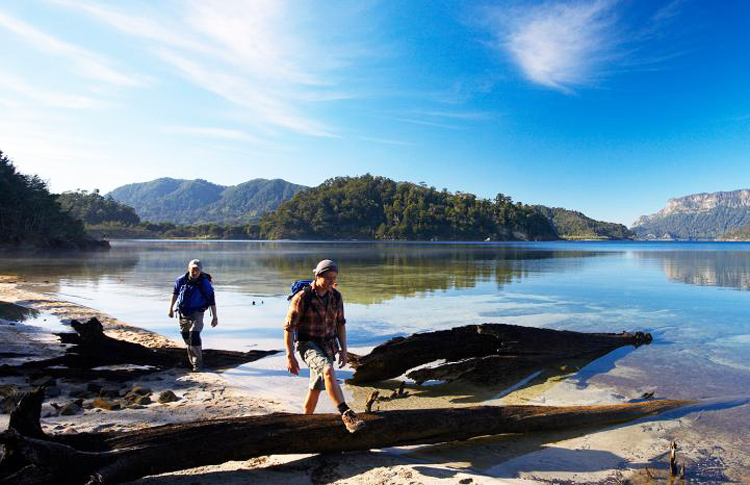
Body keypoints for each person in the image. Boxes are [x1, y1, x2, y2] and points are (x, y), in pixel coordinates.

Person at [284, 259, 365, 433]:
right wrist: (290, 356)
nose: (331, 282)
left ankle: (303, 425)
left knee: (315, 388)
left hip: (328, 346)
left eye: (334, 278)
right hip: (307, 345)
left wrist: (344, 350)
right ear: (317, 275)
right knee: (328, 370)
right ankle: (346, 414)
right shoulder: (302, 297)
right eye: (328, 278)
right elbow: (289, 328)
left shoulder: (336, 296)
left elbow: (340, 324)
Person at [169, 259, 218, 371]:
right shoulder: (180, 280)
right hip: (183, 312)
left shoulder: (205, 284)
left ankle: (197, 364)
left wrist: (215, 317)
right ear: (188, 268)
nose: (195, 271)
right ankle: (192, 360)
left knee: (194, 335)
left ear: (200, 270)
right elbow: (175, 294)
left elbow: (212, 301)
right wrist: (170, 308)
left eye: (197, 269)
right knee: (186, 338)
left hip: (198, 312)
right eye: (193, 269)